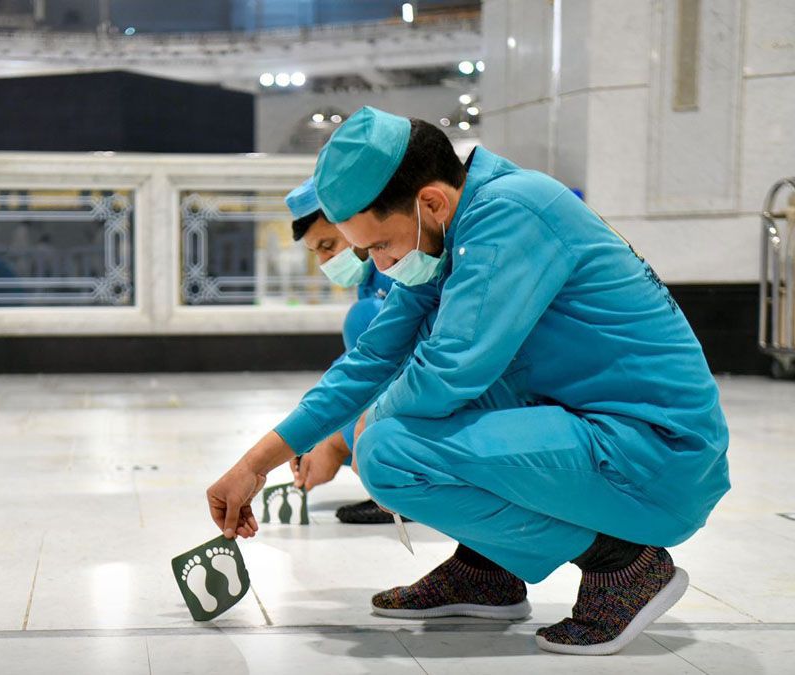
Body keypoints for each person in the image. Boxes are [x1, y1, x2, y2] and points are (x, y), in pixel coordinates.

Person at [206, 107, 730, 655]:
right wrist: (251, 466)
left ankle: (623, 566)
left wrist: (359, 430)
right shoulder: (448, 232)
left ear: (430, 202)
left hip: (656, 455)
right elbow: (370, 361)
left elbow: (448, 373)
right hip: (600, 434)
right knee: (399, 415)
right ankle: (488, 569)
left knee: (387, 450)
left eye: (380, 245)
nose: (380, 266)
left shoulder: (512, 212)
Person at [284, 177, 402, 524]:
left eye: (328, 244)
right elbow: (357, 362)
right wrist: (312, 428)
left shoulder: (399, 268)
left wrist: (336, 443)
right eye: (316, 252)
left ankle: (400, 487)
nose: (325, 261)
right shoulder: (371, 277)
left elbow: (396, 370)